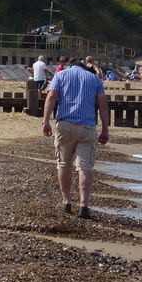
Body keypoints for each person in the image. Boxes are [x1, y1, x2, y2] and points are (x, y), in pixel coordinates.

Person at [42, 58, 109, 219]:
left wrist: (45, 121)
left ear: (71, 66)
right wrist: (105, 129)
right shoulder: (95, 79)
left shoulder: (61, 75)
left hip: (65, 124)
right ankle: (84, 206)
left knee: (64, 164)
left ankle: (66, 202)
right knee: (85, 166)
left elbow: (51, 97)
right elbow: (103, 105)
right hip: (87, 126)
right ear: (85, 67)